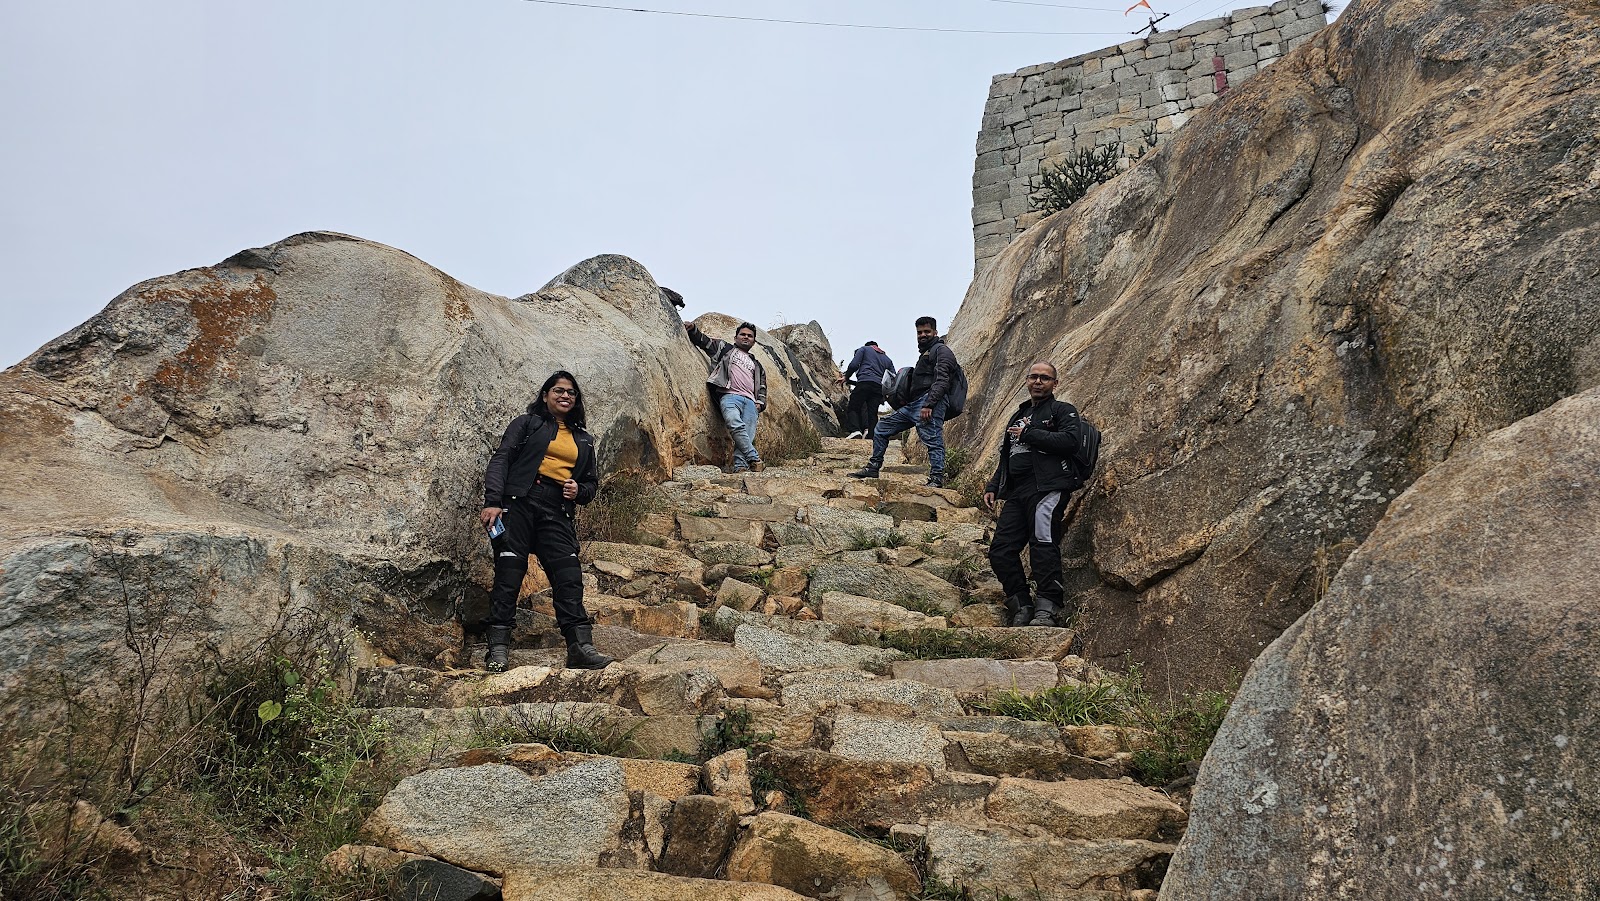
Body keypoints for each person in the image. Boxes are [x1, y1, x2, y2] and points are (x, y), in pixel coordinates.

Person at [479, 371, 612, 672]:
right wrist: (493, 501)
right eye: (558, 390)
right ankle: (497, 649)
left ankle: (580, 647)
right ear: (545, 395)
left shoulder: (584, 439)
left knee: (568, 575)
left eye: (571, 392)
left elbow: (591, 484)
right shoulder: (527, 424)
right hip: (519, 502)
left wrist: (579, 490)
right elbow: (502, 459)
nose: (565, 396)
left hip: (557, 509)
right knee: (510, 571)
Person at [981, 362, 1087, 628]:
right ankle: (1021, 604)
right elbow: (1007, 456)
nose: (1038, 381)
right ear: (1027, 381)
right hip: (1018, 492)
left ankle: (1047, 608)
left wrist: (1030, 433)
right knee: (1000, 550)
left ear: (1055, 383)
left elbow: (1071, 441)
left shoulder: (1062, 410)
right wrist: (993, 485)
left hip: (1048, 487)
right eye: (1034, 377)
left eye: (1045, 378)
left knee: (1042, 543)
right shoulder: (1018, 415)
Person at [848, 316, 958, 488]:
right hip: (914, 404)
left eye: (927, 331)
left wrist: (929, 404)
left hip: (930, 402)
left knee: (932, 439)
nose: (922, 335)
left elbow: (943, 380)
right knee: (882, 427)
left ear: (935, 332)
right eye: (919, 332)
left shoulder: (941, 351)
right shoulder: (926, 353)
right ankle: (874, 466)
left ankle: (937, 479)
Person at [686, 320, 767, 473]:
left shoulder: (757, 365)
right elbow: (705, 342)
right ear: (736, 338)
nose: (746, 337)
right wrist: (693, 329)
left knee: (747, 434)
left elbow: (762, 386)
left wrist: (760, 403)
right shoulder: (725, 349)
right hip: (729, 395)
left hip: (751, 402)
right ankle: (754, 458)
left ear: (754, 341)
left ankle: (740, 467)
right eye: (742, 334)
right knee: (733, 422)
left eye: (749, 336)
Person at [838, 340, 893, 439]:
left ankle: (855, 430)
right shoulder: (887, 359)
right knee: (872, 413)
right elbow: (892, 377)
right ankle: (871, 436)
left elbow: (854, 365)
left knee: (853, 407)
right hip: (878, 388)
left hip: (864, 382)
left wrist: (846, 377)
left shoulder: (864, 349)